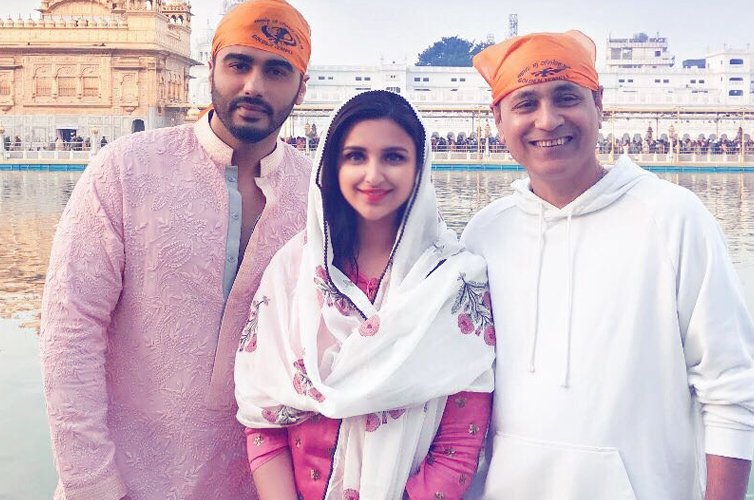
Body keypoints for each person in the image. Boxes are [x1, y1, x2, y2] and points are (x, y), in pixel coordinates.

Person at [462, 31, 754, 499]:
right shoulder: (484, 234)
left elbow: (729, 388)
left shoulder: (673, 218)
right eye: (525, 104)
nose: (548, 120)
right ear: (498, 119)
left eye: (567, 98)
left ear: (598, 105)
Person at [40, 1, 312, 498]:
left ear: (301, 86)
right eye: (238, 64)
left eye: (276, 70)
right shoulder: (126, 170)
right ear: (210, 68)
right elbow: (69, 335)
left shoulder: (316, 194)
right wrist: (92, 483)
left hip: (258, 483)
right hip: (124, 479)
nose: (253, 85)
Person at [234, 90, 496, 499]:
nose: (373, 175)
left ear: (419, 167)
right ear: (331, 166)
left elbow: (459, 444)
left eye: (393, 157)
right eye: (355, 156)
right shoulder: (294, 270)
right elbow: (261, 413)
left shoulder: (453, 281)